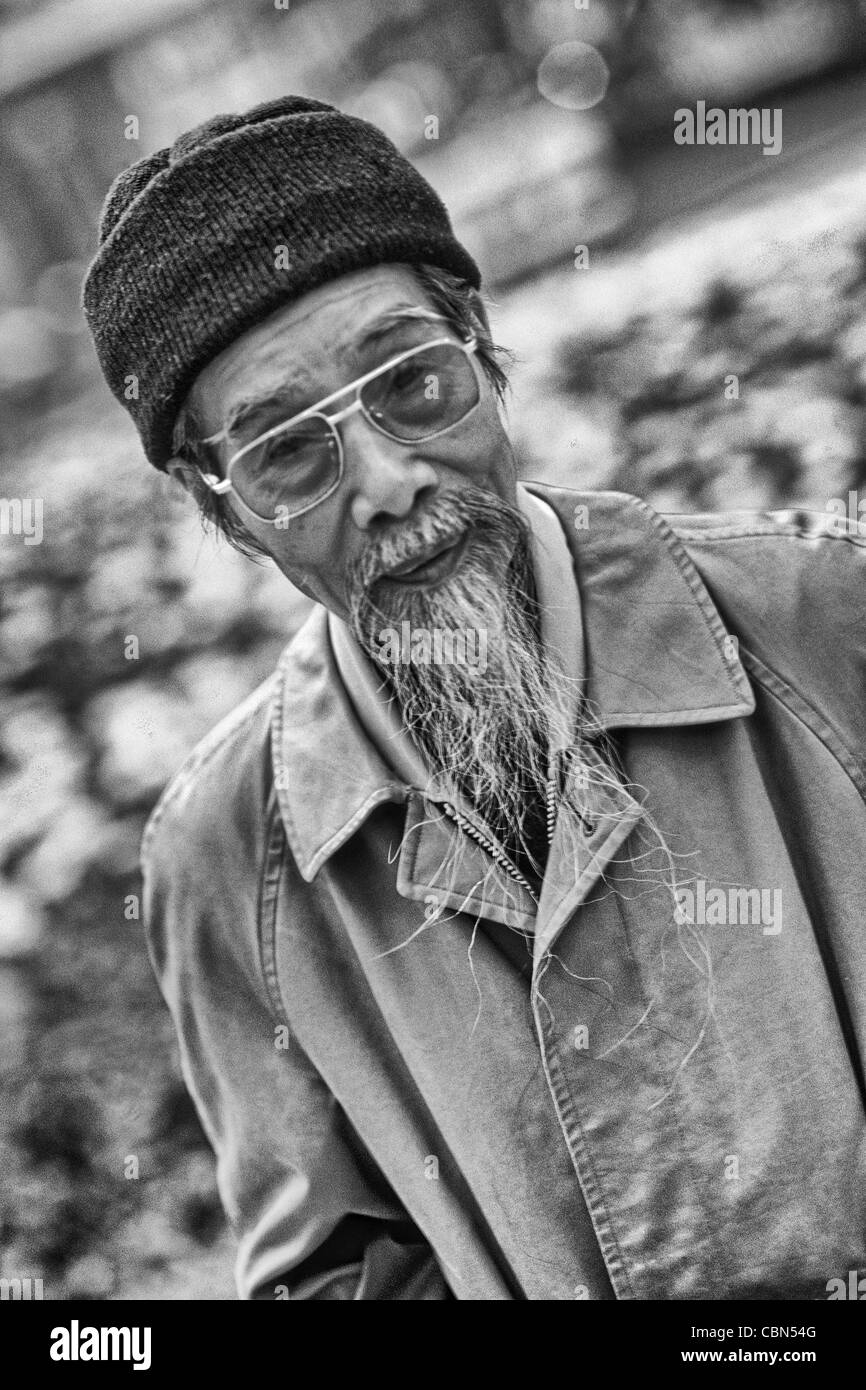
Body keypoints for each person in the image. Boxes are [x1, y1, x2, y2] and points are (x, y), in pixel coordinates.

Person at [82, 94, 866, 1301]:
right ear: (222, 507)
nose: (390, 482)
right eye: (289, 450)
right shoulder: (222, 862)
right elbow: (338, 1277)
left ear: (482, 351)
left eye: (413, 384)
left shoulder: (818, 620)